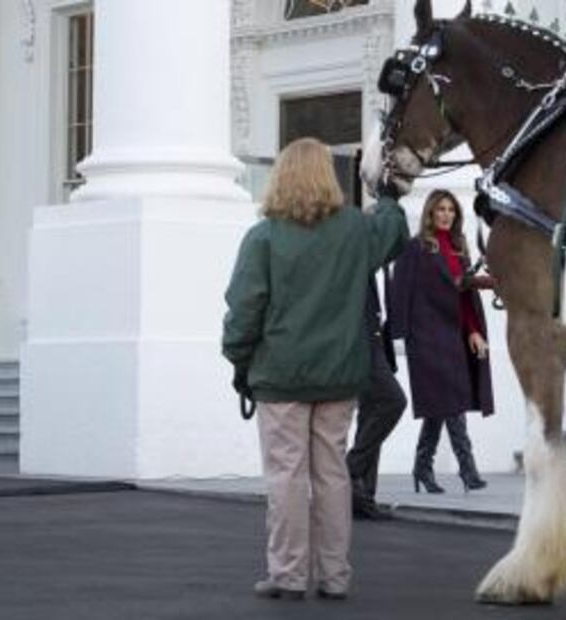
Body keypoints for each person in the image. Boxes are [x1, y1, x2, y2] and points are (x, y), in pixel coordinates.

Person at [222, 137, 408, 600]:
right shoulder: (353, 230)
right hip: (340, 374)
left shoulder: (263, 237)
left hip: (280, 375)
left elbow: (244, 311)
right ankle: (334, 575)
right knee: (332, 474)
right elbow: (393, 231)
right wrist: (386, 192)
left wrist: (240, 361)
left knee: (286, 475)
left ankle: (286, 573)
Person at [388, 189, 495, 494]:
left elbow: (465, 296)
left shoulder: (459, 248)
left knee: (441, 405)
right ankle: (468, 470)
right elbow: (400, 290)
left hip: (454, 336)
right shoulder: (416, 248)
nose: (446, 214)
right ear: (430, 214)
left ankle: (422, 467)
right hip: (426, 338)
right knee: (452, 402)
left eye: (451, 209)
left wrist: (474, 330)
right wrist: (401, 337)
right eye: (441, 209)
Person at [346, 275, 407, 520]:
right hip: (361, 343)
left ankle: (362, 499)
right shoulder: (355, 246)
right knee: (394, 401)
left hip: (375, 338)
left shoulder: (378, 254)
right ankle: (350, 469)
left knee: (371, 412)